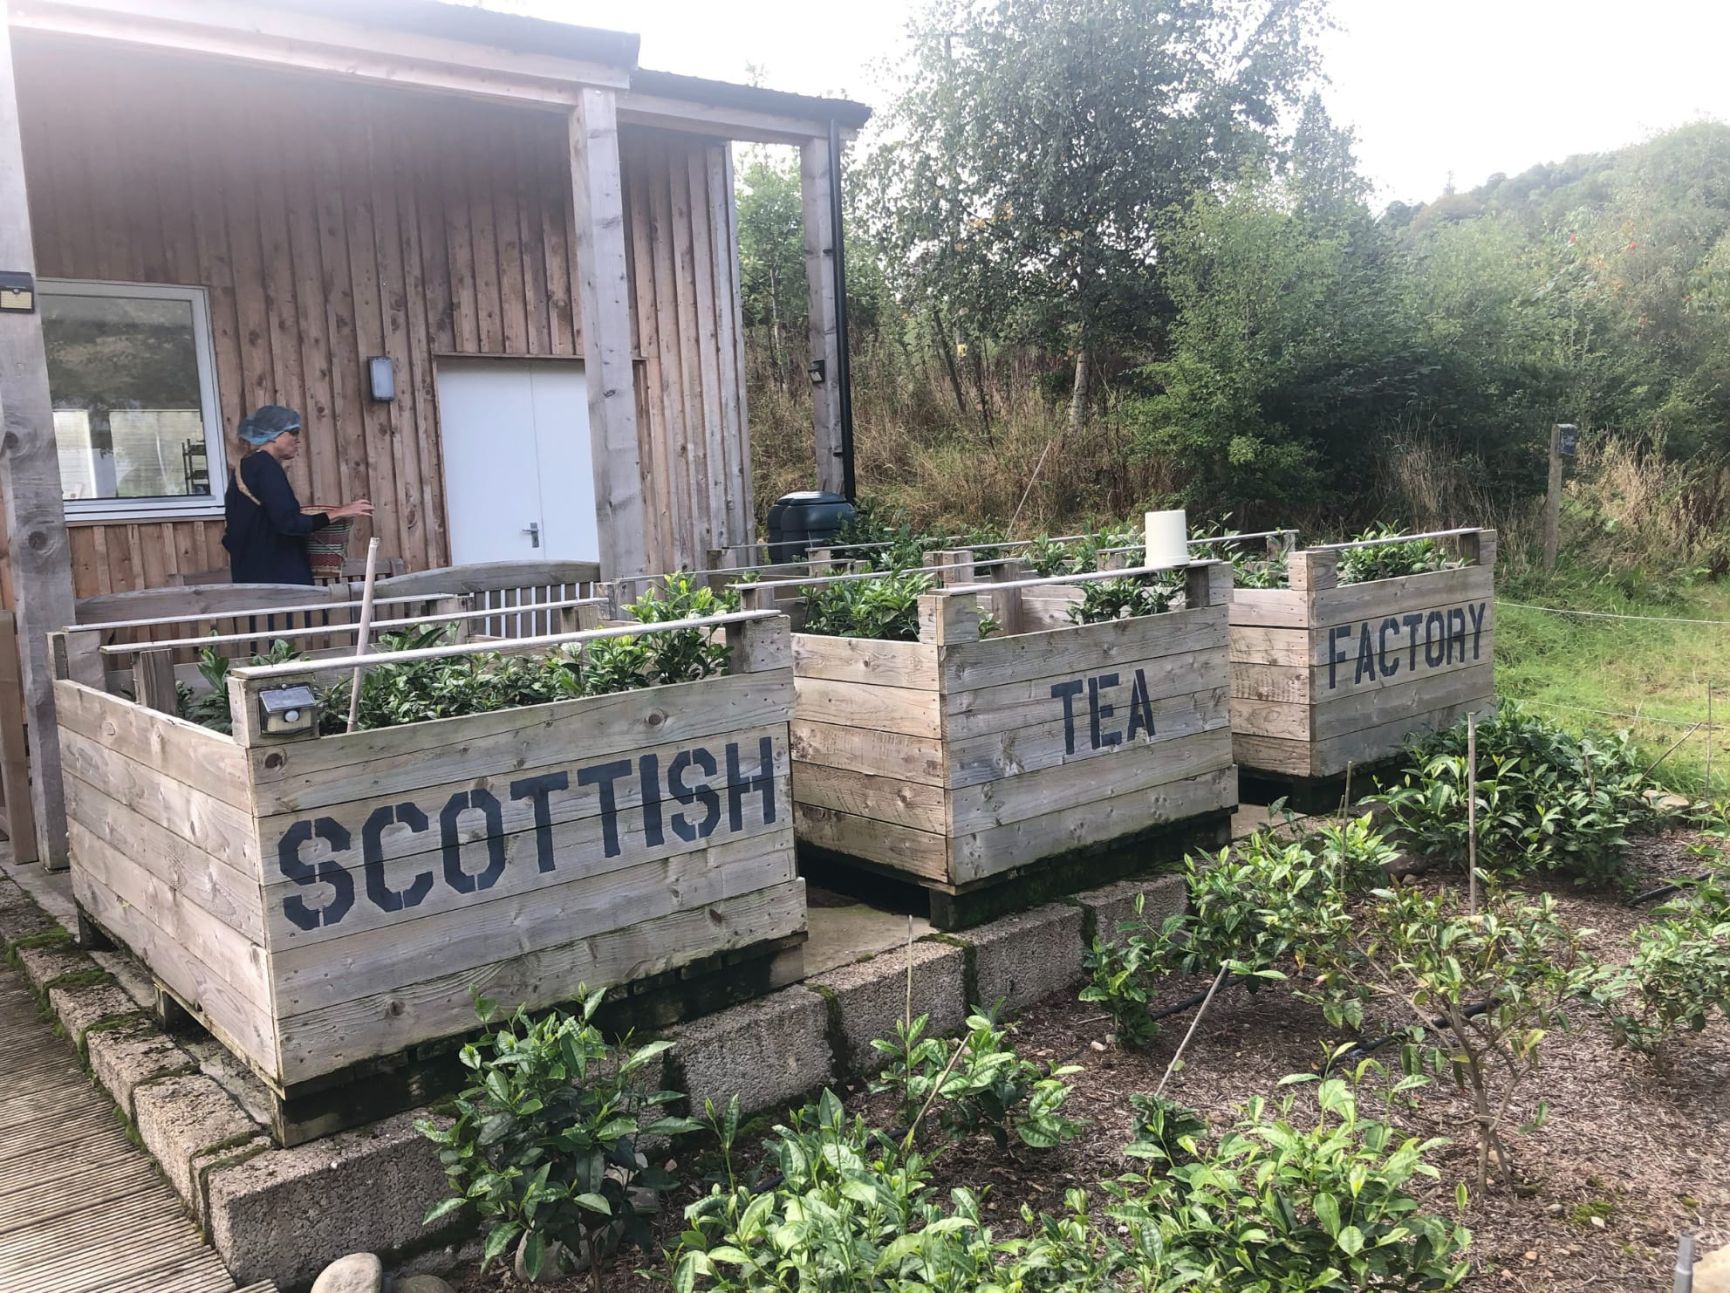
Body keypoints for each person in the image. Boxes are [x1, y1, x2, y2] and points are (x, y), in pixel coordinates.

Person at [223, 404, 372, 584]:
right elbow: (289, 523)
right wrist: (339, 512)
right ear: (273, 435)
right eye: (293, 432)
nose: (298, 440)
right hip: (278, 581)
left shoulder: (246, 465)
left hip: (249, 575)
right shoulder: (266, 467)